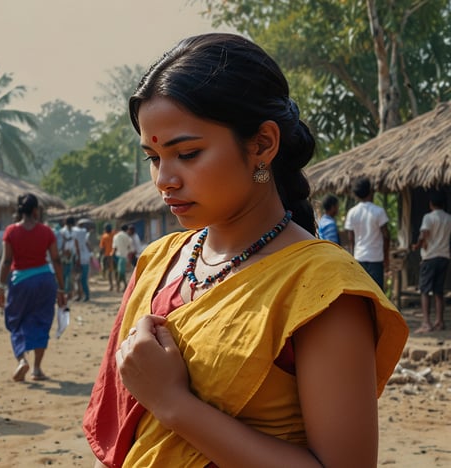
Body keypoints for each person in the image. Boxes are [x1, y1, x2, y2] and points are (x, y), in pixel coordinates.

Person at [83, 33, 408, 467]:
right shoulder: (159, 261)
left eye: (188, 153)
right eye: (154, 158)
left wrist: (173, 404)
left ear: (262, 145)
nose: (164, 179)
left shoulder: (324, 291)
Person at [0, 193, 66, 382]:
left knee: (16, 322)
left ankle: (21, 360)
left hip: (20, 283)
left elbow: (6, 261)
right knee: (42, 321)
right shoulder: (47, 231)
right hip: (45, 280)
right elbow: (56, 260)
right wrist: (61, 288)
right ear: (36, 211)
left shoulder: (10, 231)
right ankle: (36, 369)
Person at [411, 191, 451, 333]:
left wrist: (418, 245)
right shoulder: (448, 218)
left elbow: (424, 234)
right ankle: (440, 321)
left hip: (430, 257)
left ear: (431, 204)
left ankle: (426, 322)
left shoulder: (428, 217)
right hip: (444, 256)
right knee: (438, 291)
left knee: (425, 290)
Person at [344, 177, 390, 290]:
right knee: (377, 294)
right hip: (376, 258)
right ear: (371, 191)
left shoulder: (352, 212)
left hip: (359, 257)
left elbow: (350, 238)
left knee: (362, 292)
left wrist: (352, 257)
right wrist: (386, 257)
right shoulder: (379, 211)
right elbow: (386, 236)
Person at [58, 217, 80, 299]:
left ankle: (69, 293)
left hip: (72, 255)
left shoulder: (74, 232)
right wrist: (64, 252)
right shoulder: (62, 232)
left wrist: (77, 256)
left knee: (70, 275)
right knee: (63, 275)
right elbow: (60, 245)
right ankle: (63, 293)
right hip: (63, 255)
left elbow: (76, 244)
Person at [75, 219, 93, 301]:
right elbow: (89, 246)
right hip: (84, 258)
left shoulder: (75, 233)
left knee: (79, 279)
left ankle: (83, 295)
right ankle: (83, 295)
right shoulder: (84, 234)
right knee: (81, 279)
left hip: (79, 259)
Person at [112, 224, 133, 292]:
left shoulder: (116, 236)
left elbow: (114, 248)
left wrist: (112, 256)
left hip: (116, 256)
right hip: (123, 256)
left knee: (120, 272)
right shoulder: (127, 237)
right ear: (127, 229)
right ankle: (121, 285)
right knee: (121, 272)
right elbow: (129, 247)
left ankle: (121, 286)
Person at [99, 223, 115, 291]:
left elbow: (102, 247)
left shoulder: (104, 236)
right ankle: (117, 285)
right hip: (115, 255)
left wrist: (100, 255)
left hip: (108, 256)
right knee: (116, 271)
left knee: (109, 272)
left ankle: (111, 285)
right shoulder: (114, 234)